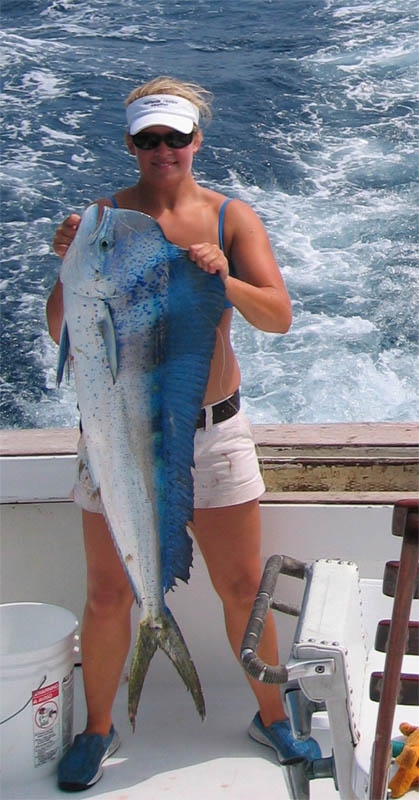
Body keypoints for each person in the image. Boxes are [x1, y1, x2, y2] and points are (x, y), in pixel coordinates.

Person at [47, 75, 320, 792]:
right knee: (109, 595)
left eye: (175, 136)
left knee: (242, 586)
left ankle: (272, 717)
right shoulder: (101, 220)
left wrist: (223, 278)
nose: (163, 149)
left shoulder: (230, 216)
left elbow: (277, 316)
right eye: (149, 138)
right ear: (130, 143)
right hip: (118, 441)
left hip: (211, 435)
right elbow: (60, 330)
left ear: (197, 140)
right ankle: (97, 729)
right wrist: (66, 264)